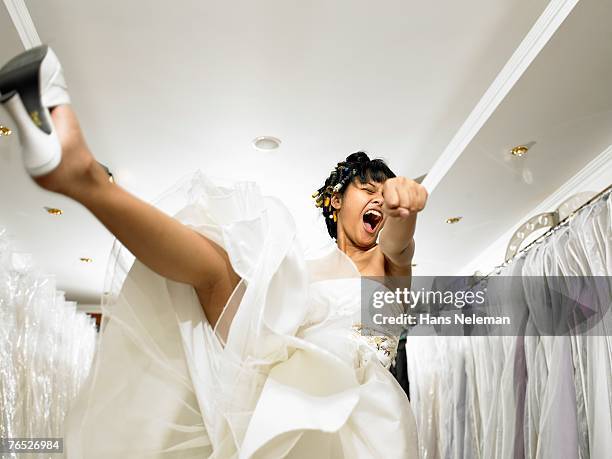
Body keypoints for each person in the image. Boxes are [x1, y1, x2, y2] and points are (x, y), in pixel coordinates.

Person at [1, 45, 427, 458]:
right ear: (336, 201)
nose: (379, 198)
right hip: (275, 396)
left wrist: (405, 203)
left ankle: (84, 179)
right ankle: (82, 179)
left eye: (384, 191)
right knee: (221, 266)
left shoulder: (386, 269)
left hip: (351, 426)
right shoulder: (305, 271)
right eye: (367, 189)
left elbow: (400, 242)